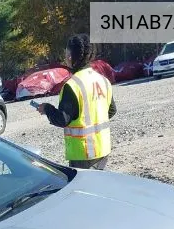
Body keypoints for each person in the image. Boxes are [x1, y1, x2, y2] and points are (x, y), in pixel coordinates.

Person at [38, 34, 116, 169]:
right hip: (103, 148)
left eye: (66, 53)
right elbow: (111, 110)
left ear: (70, 56)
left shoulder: (73, 85)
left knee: (85, 188)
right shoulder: (103, 80)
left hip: (83, 153)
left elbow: (63, 119)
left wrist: (47, 109)